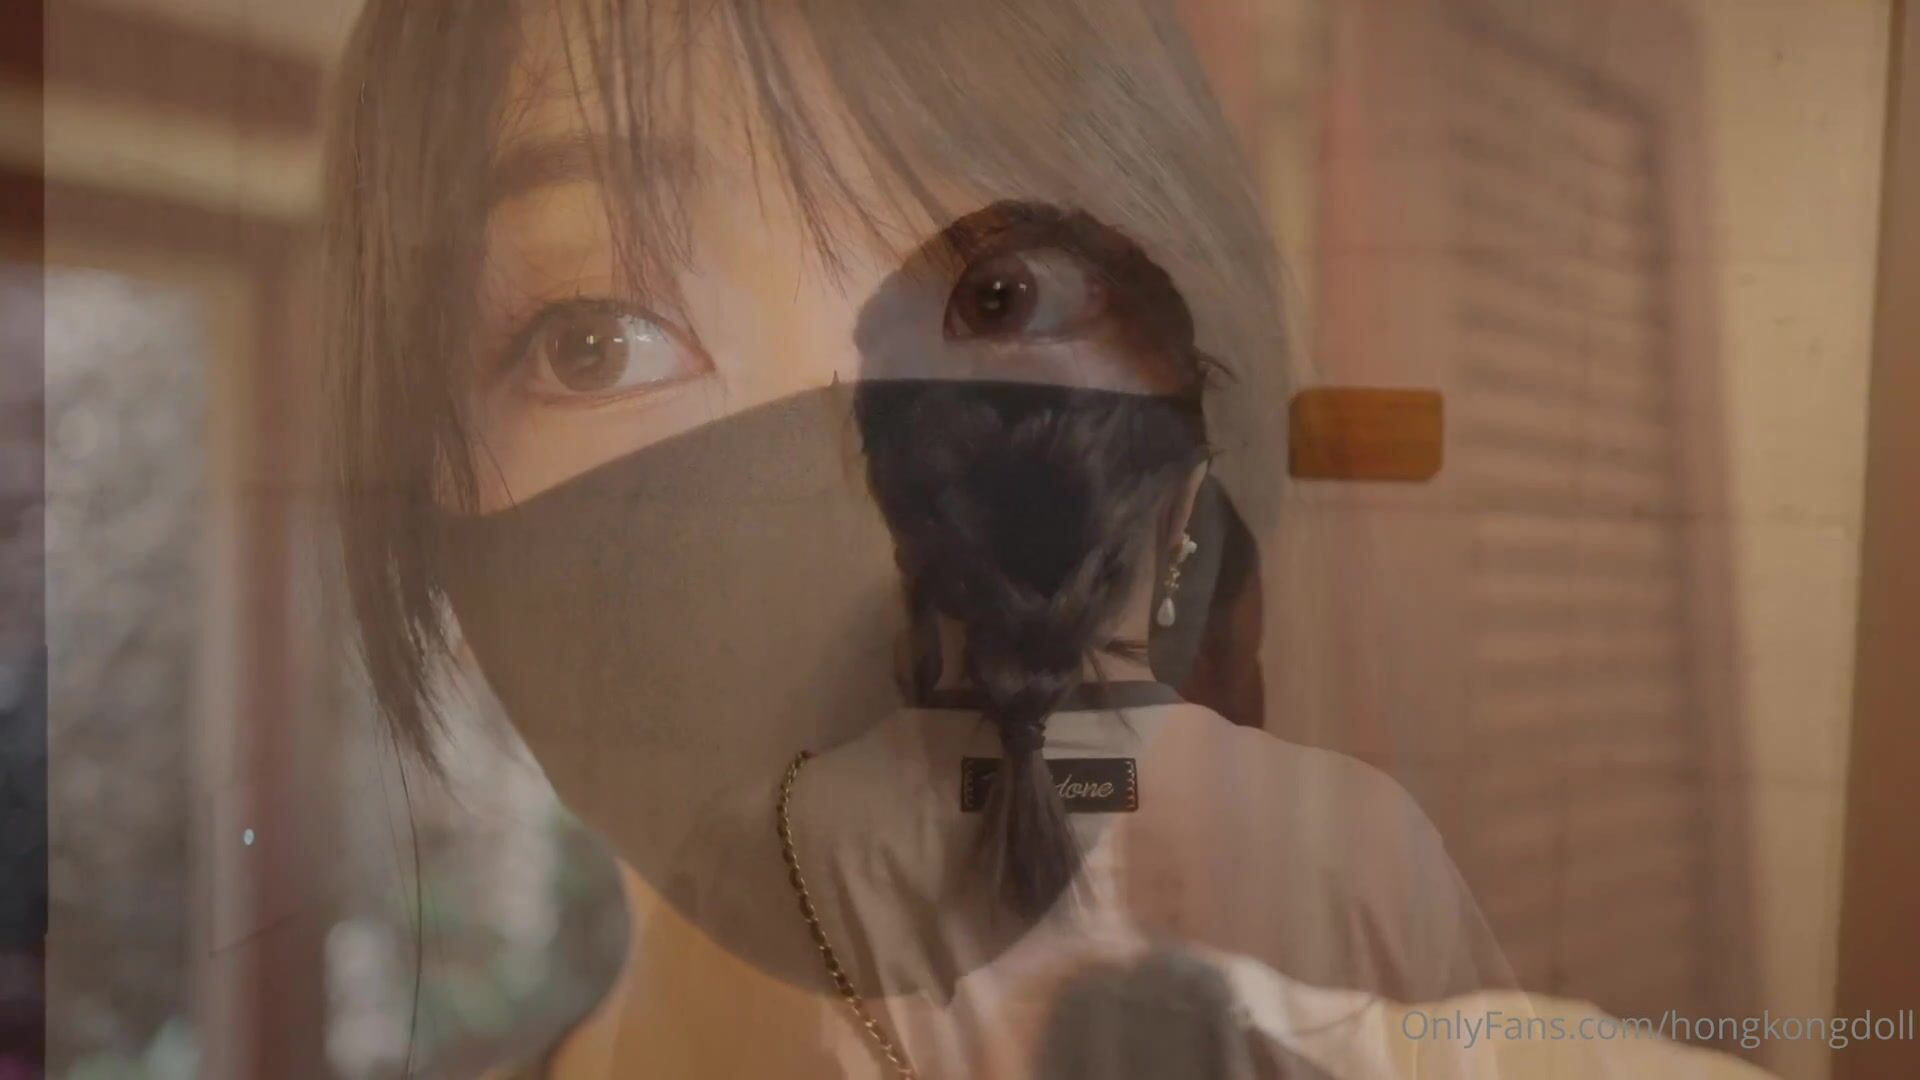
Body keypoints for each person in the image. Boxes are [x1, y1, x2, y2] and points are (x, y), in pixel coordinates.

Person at [325, 1, 1518, 1075]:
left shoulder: (1367, 927)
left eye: (1007, 298)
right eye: (598, 339)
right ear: (443, 544)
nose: (866, 520)